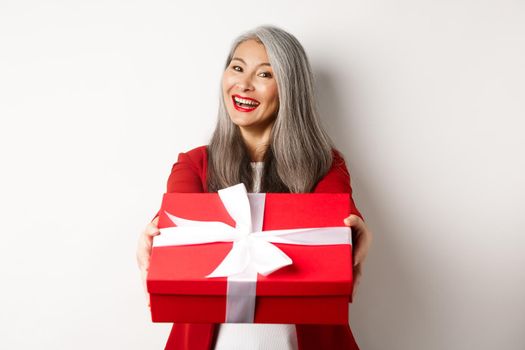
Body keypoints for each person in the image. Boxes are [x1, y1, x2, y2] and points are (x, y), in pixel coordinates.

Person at [136, 25, 372, 350]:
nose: (243, 84)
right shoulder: (194, 164)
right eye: (236, 68)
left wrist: (358, 232)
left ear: (290, 89)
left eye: (264, 74)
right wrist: (153, 232)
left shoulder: (325, 165)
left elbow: (340, 223)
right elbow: (178, 223)